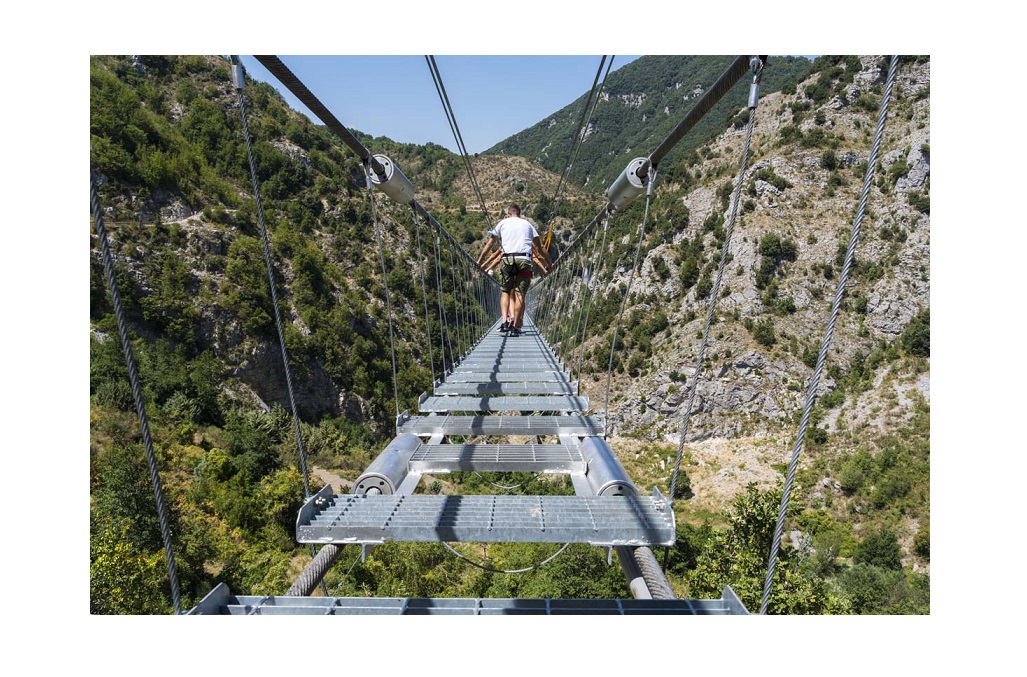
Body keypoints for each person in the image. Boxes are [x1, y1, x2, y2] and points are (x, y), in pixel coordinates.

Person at [483, 204, 552, 336]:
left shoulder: (504, 225)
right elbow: (539, 253)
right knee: (520, 295)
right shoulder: (528, 227)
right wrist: (549, 265)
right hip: (524, 262)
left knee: (505, 292)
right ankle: (515, 326)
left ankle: (505, 321)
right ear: (519, 214)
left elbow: (493, 252)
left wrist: (482, 264)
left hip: (507, 261)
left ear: (508, 214)